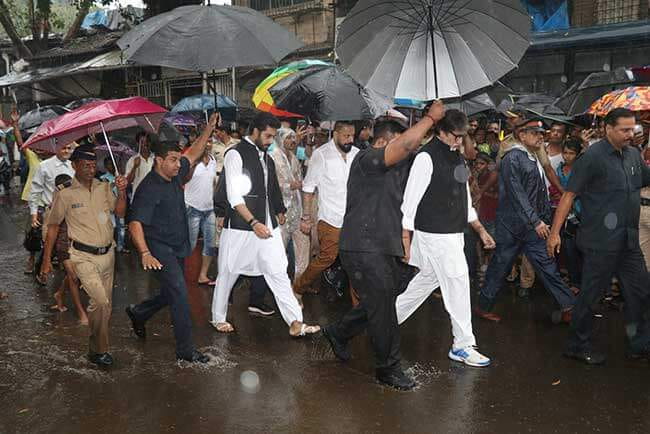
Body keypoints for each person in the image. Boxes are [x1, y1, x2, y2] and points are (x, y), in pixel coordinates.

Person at [322, 103, 445, 391]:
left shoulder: (399, 168)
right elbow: (407, 144)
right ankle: (387, 368)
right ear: (381, 141)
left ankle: (338, 332)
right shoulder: (366, 160)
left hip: (385, 245)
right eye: (399, 143)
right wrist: (429, 118)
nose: (407, 150)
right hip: (363, 246)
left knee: (382, 302)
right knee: (384, 309)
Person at [548, 108, 650, 365]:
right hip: (599, 243)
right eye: (624, 130)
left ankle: (639, 344)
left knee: (640, 293)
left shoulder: (633, 156)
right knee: (591, 297)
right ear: (608, 128)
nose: (630, 134)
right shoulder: (591, 158)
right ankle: (577, 345)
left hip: (628, 240)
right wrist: (554, 233)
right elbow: (569, 196)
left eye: (633, 129)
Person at [395, 109, 495, 368]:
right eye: (456, 136)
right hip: (434, 235)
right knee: (459, 284)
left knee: (426, 282)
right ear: (441, 131)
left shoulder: (458, 159)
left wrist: (480, 229)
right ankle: (462, 345)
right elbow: (410, 201)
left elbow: (464, 199)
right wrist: (405, 238)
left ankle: (384, 320)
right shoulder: (425, 158)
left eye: (463, 137)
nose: (460, 141)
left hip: (453, 234)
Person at [210, 112, 319, 337]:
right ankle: (218, 318)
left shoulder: (266, 157)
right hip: (241, 226)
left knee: (278, 271)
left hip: (267, 226)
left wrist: (278, 210)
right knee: (229, 272)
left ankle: (296, 322)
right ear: (256, 131)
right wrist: (253, 222)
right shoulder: (235, 155)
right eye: (268, 136)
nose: (271, 141)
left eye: (273, 137)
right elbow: (233, 196)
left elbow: (271, 189)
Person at [126, 113, 220, 364]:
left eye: (178, 160)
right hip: (159, 249)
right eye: (173, 160)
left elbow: (193, 153)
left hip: (179, 246)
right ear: (159, 161)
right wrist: (145, 252)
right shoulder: (148, 188)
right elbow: (135, 223)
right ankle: (186, 350)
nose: (179, 164)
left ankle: (139, 313)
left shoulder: (175, 173)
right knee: (179, 293)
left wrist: (208, 129)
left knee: (170, 293)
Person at [475, 117, 575, 323]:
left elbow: (537, 192)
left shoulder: (532, 156)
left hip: (529, 225)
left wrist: (542, 217)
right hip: (513, 225)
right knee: (500, 266)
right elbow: (516, 193)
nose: (541, 138)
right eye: (536, 134)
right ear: (522, 135)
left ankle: (569, 306)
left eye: (542, 134)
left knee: (546, 265)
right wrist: (536, 221)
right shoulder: (513, 157)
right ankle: (482, 306)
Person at [40, 144, 127, 367]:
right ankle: (99, 350)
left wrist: (122, 190)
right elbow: (52, 227)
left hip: (108, 255)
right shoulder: (65, 194)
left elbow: (120, 212)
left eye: (92, 164)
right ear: (74, 166)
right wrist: (47, 261)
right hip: (82, 256)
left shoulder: (105, 187)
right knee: (99, 301)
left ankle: (96, 349)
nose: (90, 169)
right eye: (85, 165)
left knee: (105, 307)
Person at [293, 121, 359, 305]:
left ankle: (358, 306)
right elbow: (308, 188)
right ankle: (298, 287)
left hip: (353, 219)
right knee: (326, 258)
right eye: (346, 135)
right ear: (336, 134)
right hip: (330, 219)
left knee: (355, 261)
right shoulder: (321, 155)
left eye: (352, 135)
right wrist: (306, 218)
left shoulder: (357, 155)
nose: (350, 139)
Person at [28, 141, 75, 274]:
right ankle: (41, 270)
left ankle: (67, 272)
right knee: (49, 242)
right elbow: (35, 191)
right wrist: (34, 214)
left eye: (68, 148)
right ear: (55, 149)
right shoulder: (44, 166)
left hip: (70, 212)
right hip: (51, 211)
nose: (66, 151)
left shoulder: (74, 166)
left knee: (68, 243)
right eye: (63, 148)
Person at [270, 128, 310, 282]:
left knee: (303, 251)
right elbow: (273, 185)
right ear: (280, 140)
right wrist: (292, 185)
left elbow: (300, 180)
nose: (293, 141)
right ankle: (278, 287)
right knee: (278, 254)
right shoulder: (274, 157)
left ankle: (299, 286)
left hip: (297, 211)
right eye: (288, 138)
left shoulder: (294, 157)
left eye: (294, 138)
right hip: (281, 213)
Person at [49, 174, 89, 325]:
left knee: (77, 273)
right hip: (64, 243)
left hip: (80, 240)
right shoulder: (57, 201)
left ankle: (59, 294)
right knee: (73, 276)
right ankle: (80, 312)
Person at [184, 137, 218, 286]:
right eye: (206, 141)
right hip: (192, 207)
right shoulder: (190, 160)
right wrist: (194, 164)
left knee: (210, 244)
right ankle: (178, 273)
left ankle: (203, 275)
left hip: (210, 209)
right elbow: (183, 179)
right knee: (189, 244)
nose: (208, 144)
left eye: (211, 142)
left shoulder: (213, 160)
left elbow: (214, 183)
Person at [554, 139, 583, 294]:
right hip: (566, 214)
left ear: (577, 155)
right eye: (565, 153)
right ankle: (575, 281)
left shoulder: (582, 170)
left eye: (571, 153)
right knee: (570, 248)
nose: (567, 156)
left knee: (583, 248)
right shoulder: (559, 169)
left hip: (582, 212)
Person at [99, 158, 127, 253]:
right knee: (112, 226)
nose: (111, 166)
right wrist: (113, 184)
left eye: (112, 164)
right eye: (108, 164)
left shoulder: (120, 176)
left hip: (120, 204)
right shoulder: (103, 178)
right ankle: (111, 245)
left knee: (121, 226)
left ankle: (120, 246)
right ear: (106, 166)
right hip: (110, 206)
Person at [124, 131, 154, 200]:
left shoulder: (156, 158)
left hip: (154, 199)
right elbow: (128, 182)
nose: (145, 144)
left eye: (147, 141)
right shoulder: (132, 160)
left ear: (150, 142)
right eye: (142, 142)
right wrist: (134, 167)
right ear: (138, 144)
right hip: (139, 199)